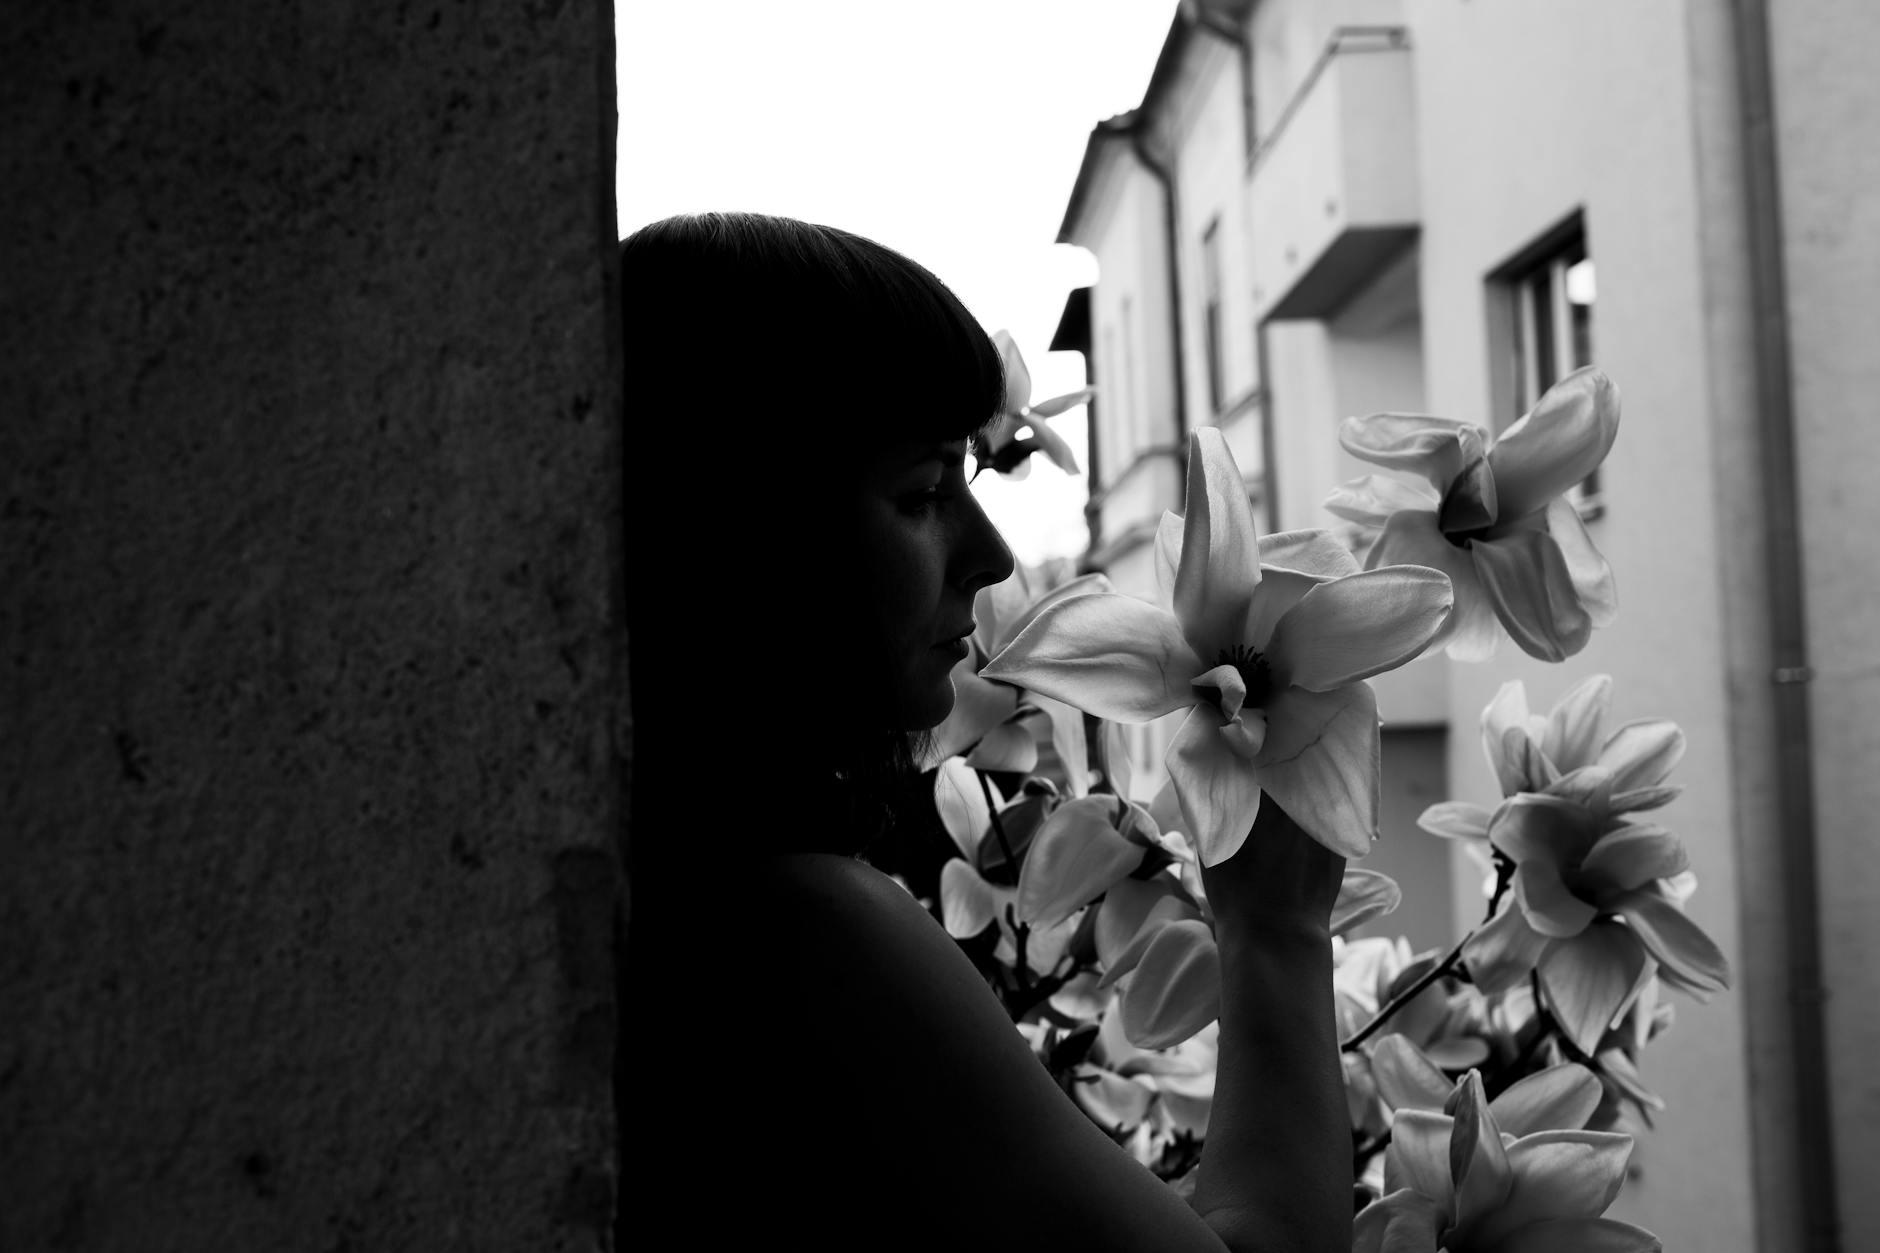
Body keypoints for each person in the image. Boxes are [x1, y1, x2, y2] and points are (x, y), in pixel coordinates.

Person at [618, 212, 1350, 1252]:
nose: (994, 553)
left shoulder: (660, 893)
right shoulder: (797, 926)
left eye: (969, 476)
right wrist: (1277, 928)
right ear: (741, 525)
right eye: (921, 492)